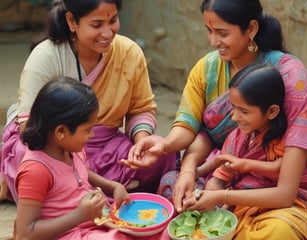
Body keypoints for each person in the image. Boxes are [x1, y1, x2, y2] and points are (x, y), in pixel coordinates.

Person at [120, 0, 307, 239]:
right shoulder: (207, 69)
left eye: (222, 33)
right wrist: (183, 166)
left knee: (279, 231)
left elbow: (286, 185)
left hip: (285, 195)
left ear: (251, 29)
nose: (212, 42)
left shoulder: (291, 78)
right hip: (227, 181)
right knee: (173, 188)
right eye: (209, 31)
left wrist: (222, 195)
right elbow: (198, 131)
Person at [0, 0, 177, 202]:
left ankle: (79, 193)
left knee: (164, 153)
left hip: (106, 147)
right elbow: (29, 129)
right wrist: (74, 161)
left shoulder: (129, 53)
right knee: (33, 160)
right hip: (55, 146)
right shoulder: (46, 56)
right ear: (72, 21)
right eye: (96, 24)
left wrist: (141, 141)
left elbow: (141, 109)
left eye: (113, 20)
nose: (108, 33)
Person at [15, 77, 172, 240]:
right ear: (61, 131)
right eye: (88, 129)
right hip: (66, 233)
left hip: (93, 223)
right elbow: (25, 234)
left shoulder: (70, 150)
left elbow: (82, 173)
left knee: (163, 231)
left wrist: (112, 186)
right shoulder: (36, 170)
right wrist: (78, 216)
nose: (92, 135)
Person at [182, 63, 307, 239]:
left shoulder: (294, 137)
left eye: (244, 111)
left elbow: (285, 196)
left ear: (271, 111)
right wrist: (207, 198)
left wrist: (222, 197)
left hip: (289, 208)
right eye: (233, 108)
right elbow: (220, 177)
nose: (234, 117)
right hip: (242, 206)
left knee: (280, 232)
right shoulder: (239, 137)